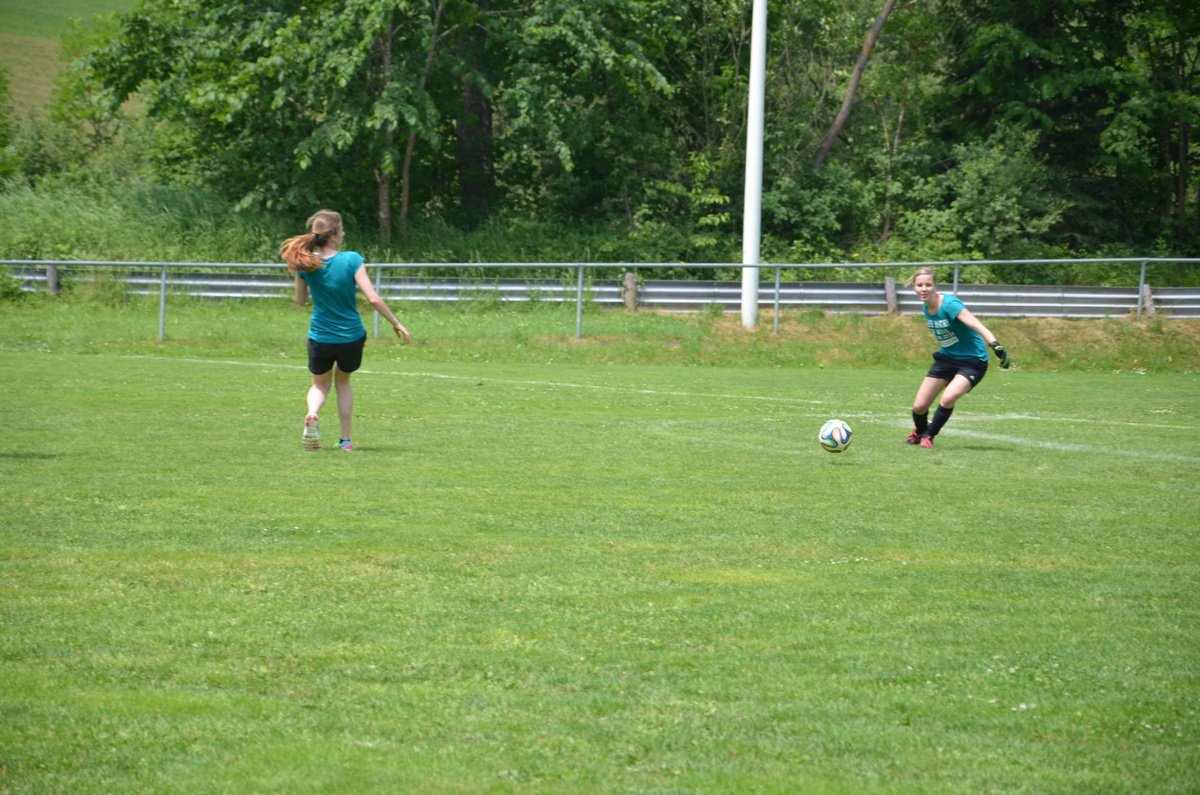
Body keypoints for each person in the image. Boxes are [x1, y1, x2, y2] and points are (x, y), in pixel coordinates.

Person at [279, 210, 410, 451]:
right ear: (334, 235)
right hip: (351, 336)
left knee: (319, 385)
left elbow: (300, 301)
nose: (344, 233)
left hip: (321, 336)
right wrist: (395, 322)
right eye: (342, 230)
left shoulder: (305, 264)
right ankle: (345, 441)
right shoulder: (352, 260)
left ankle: (312, 413)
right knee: (343, 383)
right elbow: (373, 298)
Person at [906, 267, 1009, 449]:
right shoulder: (926, 306)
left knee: (948, 398)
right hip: (946, 358)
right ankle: (920, 431)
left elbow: (976, 324)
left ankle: (929, 436)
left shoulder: (950, 304)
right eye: (920, 285)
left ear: (935, 286)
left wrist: (995, 345)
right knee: (919, 407)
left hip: (973, 360)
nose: (924, 289)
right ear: (914, 286)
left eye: (928, 285)